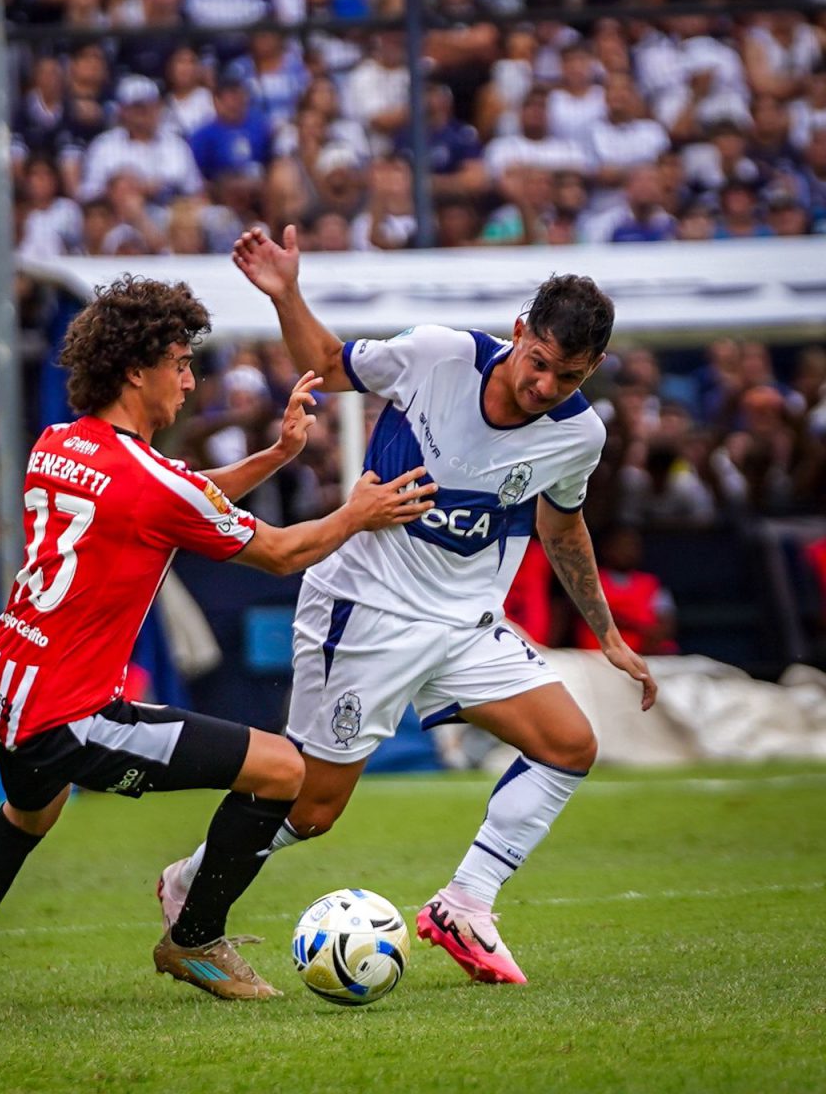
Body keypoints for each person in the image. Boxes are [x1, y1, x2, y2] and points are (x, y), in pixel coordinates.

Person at [0, 275, 433, 1009]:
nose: (188, 381)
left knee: (29, 814)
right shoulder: (150, 483)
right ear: (133, 371)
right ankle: (195, 939)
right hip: (67, 713)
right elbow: (278, 552)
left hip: (3, 687)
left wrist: (274, 456)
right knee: (283, 770)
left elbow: (175, 495)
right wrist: (357, 512)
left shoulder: (59, 443)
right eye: (179, 364)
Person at [161, 232, 657, 987]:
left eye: (569, 376)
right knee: (313, 808)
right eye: (539, 362)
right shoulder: (439, 355)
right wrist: (286, 293)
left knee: (568, 745)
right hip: (367, 610)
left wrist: (609, 635)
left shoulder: (578, 435)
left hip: (465, 624)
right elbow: (327, 363)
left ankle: (466, 904)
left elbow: (562, 527)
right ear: (519, 332)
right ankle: (190, 882)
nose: (545, 385)